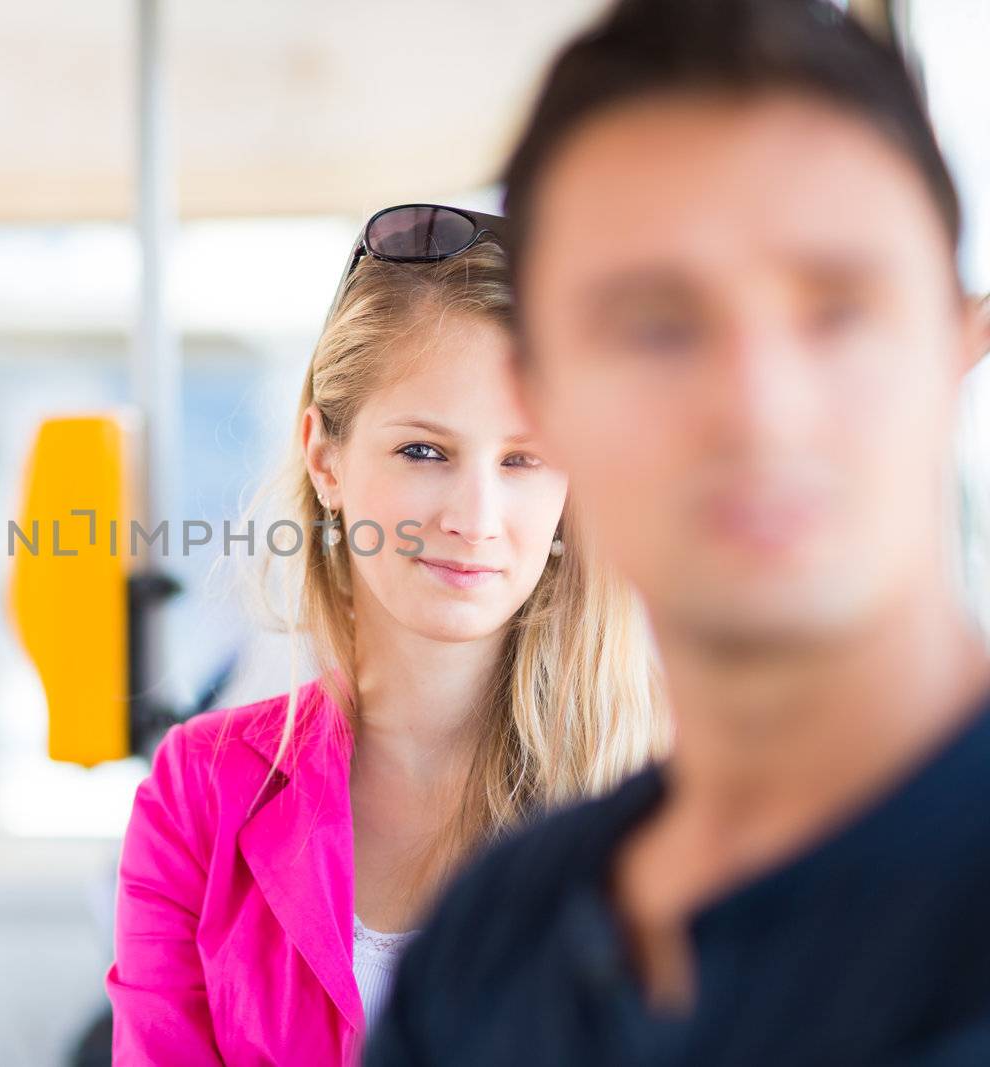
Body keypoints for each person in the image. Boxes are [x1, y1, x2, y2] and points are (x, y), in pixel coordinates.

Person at [365, 1, 990, 1064]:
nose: (759, 405)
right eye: (655, 323)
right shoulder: (492, 941)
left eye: (837, 307)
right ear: (543, 401)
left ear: (957, 351)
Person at [104, 204, 669, 1065]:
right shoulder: (200, 797)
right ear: (325, 460)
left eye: (523, 460)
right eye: (424, 452)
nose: (475, 518)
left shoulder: (663, 808)